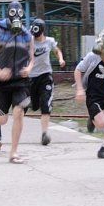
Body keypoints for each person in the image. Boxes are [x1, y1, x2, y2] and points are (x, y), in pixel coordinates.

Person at [0, 1, 34, 163]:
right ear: (8, 14)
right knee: (1, 120)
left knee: (19, 111)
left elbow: (32, 58)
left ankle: (14, 152)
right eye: (13, 12)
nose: (16, 16)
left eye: (19, 12)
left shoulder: (28, 36)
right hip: (1, 83)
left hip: (20, 81)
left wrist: (29, 69)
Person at [74, 29, 104, 159]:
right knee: (102, 124)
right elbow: (78, 70)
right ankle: (93, 119)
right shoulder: (92, 56)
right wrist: (80, 89)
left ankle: (103, 149)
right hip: (94, 95)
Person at [28, 18, 65, 146]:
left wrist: (60, 59)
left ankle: (44, 134)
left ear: (42, 31)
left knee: (45, 104)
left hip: (45, 76)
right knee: (31, 105)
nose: (36, 37)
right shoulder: (29, 41)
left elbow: (57, 51)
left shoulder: (49, 41)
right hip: (31, 78)